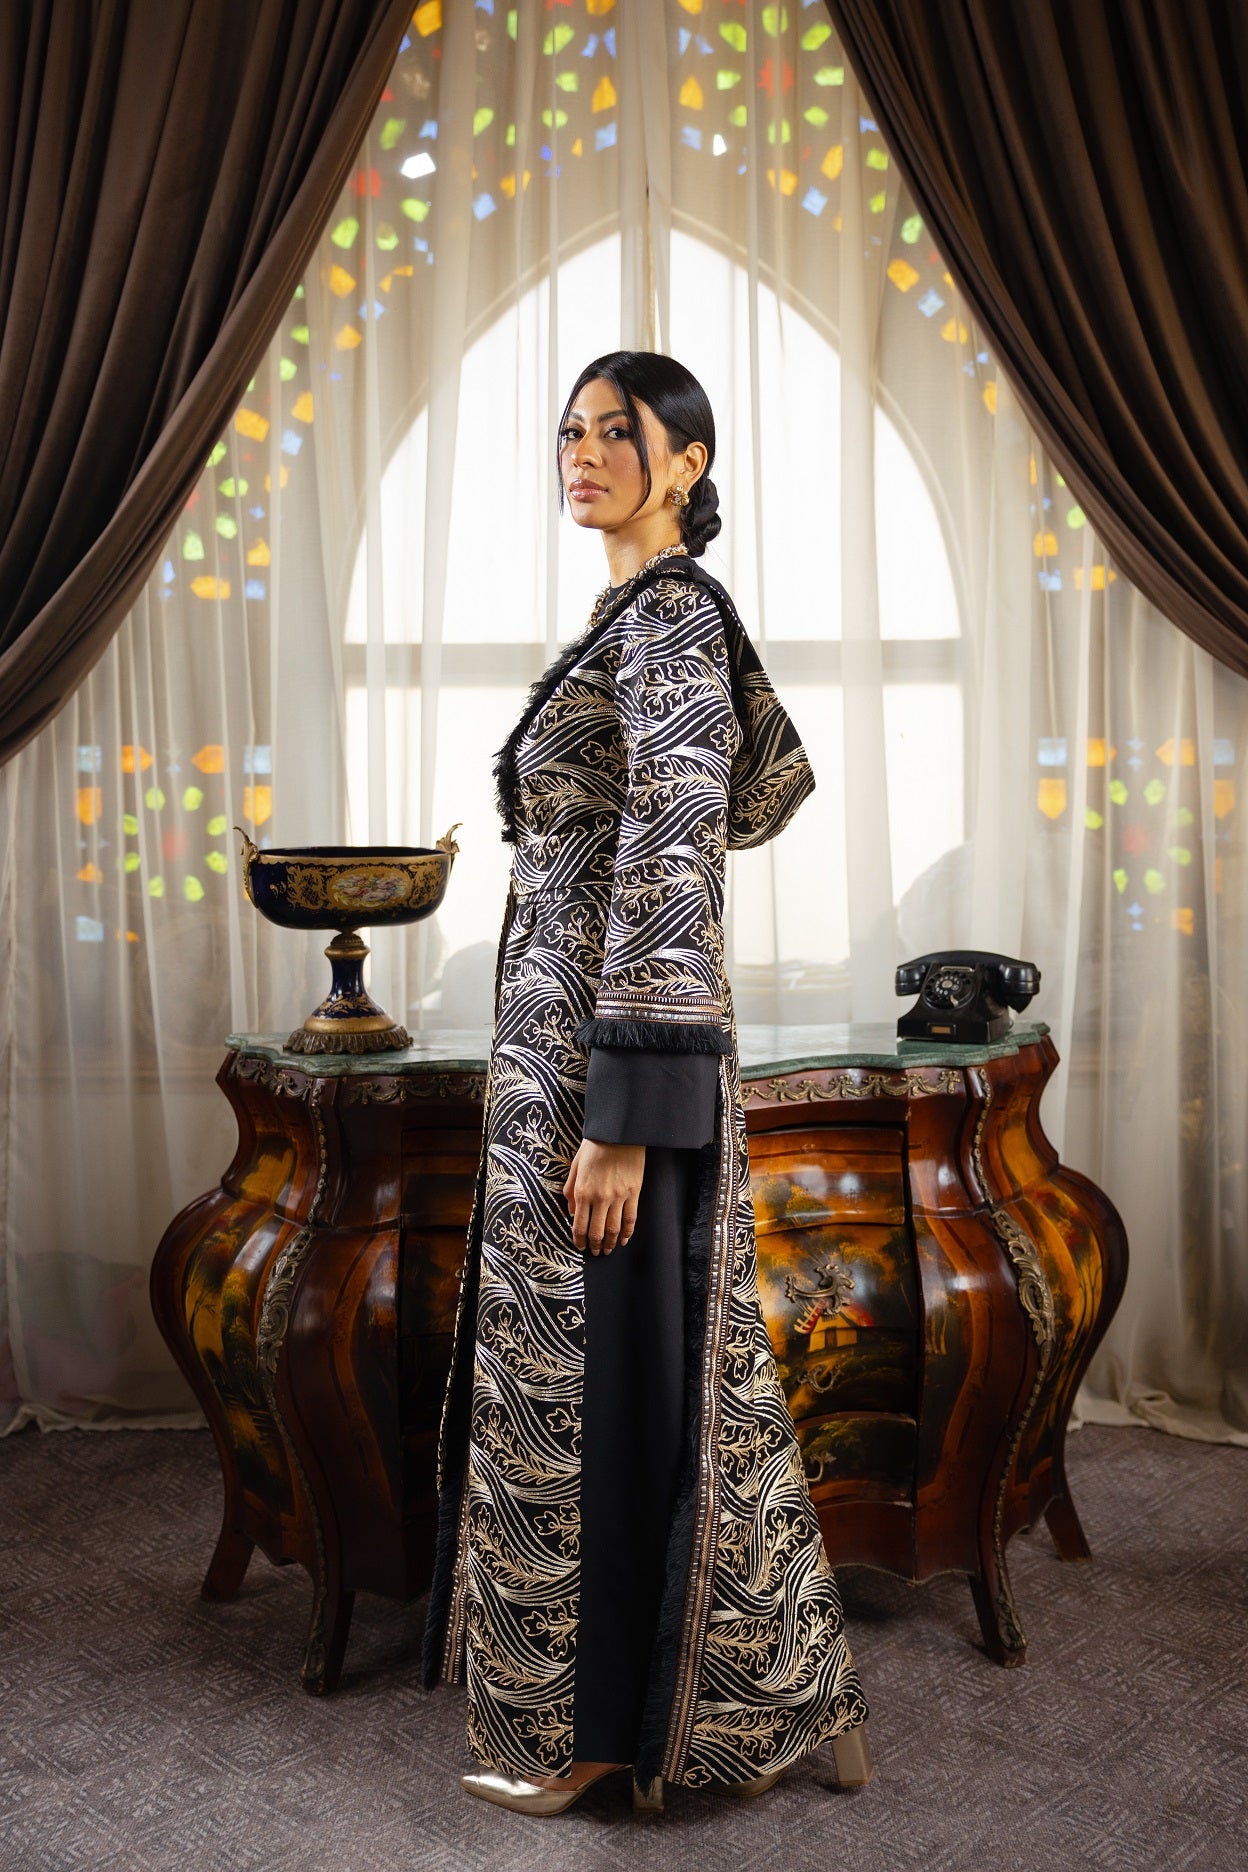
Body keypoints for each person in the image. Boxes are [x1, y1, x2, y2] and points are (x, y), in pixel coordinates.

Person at [422, 351, 870, 1815]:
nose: (586, 451)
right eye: (571, 430)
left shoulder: (672, 620)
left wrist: (621, 1122)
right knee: (657, 1371)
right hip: (564, 1055)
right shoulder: (632, 618)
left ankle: (604, 1732)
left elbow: (676, 861)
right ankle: (786, 1691)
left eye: (621, 432)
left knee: (618, 1376)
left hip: (607, 1071)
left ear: (687, 462)